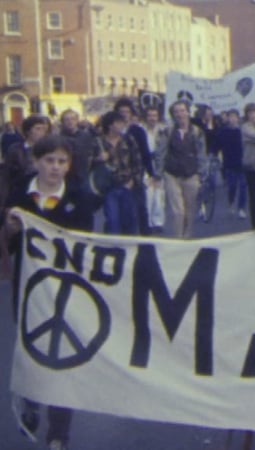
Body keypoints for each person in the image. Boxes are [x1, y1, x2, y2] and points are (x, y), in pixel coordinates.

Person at [5, 134, 98, 450]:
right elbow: (8, 246)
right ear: (36, 162)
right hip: (29, 288)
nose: (55, 168)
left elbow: (87, 245)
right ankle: (31, 398)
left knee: (61, 359)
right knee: (32, 350)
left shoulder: (79, 198)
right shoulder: (20, 196)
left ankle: (59, 434)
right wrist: (9, 230)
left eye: (61, 161)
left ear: (69, 165)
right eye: (49, 161)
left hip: (66, 290)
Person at [154, 99, 208, 239]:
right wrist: (158, 174)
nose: (180, 114)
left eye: (182, 111)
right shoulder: (167, 131)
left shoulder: (197, 132)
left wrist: (201, 174)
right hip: (172, 174)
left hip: (191, 174)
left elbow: (201, 153)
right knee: (178, 211)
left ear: (188, 112)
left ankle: (187, 237)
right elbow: (161, 152)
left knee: (190, 210)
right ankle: (177, 239)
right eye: (176, 111)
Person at [90, 111, 144, 235]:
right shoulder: (98, 142)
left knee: (129, 220)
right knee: (112, 221)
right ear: (110, 125)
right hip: (108, 186)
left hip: (127, 184)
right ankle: (113, 248)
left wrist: (134, 181)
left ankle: (129, 248)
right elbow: (88, 164)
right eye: (119, 123)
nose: (122, 125)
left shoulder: (128, 140)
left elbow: (137, 161)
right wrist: (99, 159)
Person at [114, 97, 153, 235]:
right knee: (121, 210)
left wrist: (151, 172)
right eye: (121, 111)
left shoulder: (137, 131)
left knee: (140, 207)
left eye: (127, 111)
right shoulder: (112, 130)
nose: (124, 114)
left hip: (136, 173)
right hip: (117, 175)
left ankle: (145, 237)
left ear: (131, 114)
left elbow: (145, 152)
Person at [217, 109, 248, 219]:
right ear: (228, 118)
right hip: (229, 163)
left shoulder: (242, 131)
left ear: (238, 118)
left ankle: (241, 208)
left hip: (243, 162)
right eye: (231, 116)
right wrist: (214, 154)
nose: (233, 119)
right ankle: (231, 202)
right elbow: (216, 145)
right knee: (232, 186)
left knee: (243, 186)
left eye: (235, 116)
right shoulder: (223, 131)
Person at [142, 106, 167, 232]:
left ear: (158, 117)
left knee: (159, 195)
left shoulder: (162, 131)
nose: (152, 118)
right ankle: (148, 222)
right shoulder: (142, 131)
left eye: (154, 115)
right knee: (148, 194)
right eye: (150, 115)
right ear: (146, 117)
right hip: (146, 165)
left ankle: (158, 222)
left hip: (159, 164)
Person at [58, 109, 94, 184]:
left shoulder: (86, 135)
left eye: (73, 119)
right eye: (67, 119)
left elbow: (91, 153)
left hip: (83, 175)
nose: (70, 122)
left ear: (77, 120)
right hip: (66, 176)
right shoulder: (59, 138)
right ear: (62, 122)